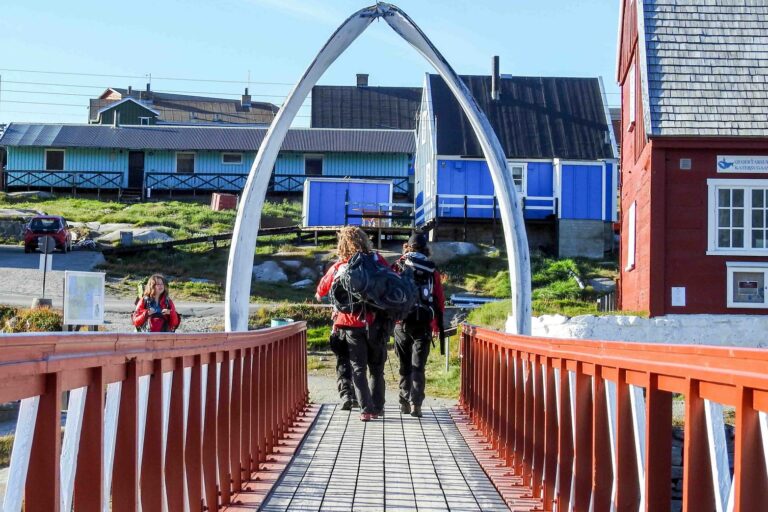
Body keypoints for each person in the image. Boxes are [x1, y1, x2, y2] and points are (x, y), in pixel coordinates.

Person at [315, 226, 389, 421]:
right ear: (365, 240)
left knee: (358, 368)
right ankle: (378, 407)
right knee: (377, 368)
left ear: (342, 244)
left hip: (349, 324)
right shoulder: (377, 260)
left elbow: (320, 291)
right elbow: (391, 282)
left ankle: (366, 410)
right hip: (375, 322)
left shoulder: (340, 266)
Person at [392, 233, 445, 418]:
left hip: (401, 322)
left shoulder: (398, 265)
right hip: (423, 323)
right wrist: (436, 325)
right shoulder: (431, 269)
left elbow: (389, 292)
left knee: (404, 364)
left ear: (407, 246)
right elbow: (439, 299)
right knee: (418, 365)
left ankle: (404, 402)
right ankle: (417, 405)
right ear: (425, 248)